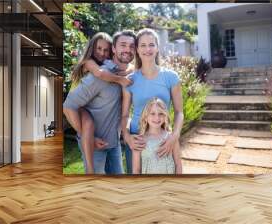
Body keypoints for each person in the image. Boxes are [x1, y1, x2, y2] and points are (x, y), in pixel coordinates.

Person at [64, 30, 136, 174]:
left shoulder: (130, 73)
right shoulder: (99, 75)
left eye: (132, 46)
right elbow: (68, 106)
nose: (128, 49)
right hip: (95, 145)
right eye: (123, 45)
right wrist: (88, 136)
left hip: (113, 143)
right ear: (114, 49)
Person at [121, 28, 184, 174]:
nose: (147, 49)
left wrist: (174, 136)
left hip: (163, 138)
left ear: (157, 48)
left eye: (151, 44)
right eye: (143, 45)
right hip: (138, 139)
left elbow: (179, 112)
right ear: (137, 49)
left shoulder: (171, 77)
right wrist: (127, 136)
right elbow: (124, 115)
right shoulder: (130, 80)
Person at [132, 98, 182, 174]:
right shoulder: (139, 140)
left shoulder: (171, 138)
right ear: (145, 117)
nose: (157, 118)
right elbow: (136, 170)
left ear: (165, 116)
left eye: (160, 114)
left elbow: (178, 164)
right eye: (152, 113)